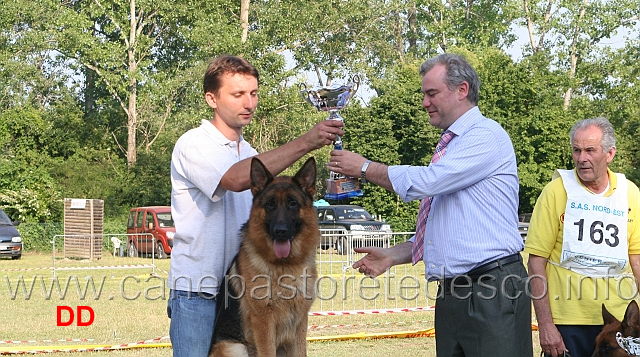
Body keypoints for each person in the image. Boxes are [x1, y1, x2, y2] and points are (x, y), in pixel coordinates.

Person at [328, 53, 532, 356]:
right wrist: (393, 255)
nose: (425, 102)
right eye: (424, 94)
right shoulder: (453, 146)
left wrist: (363, 167)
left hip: (492, 291)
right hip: (455, 293)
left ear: (462, 90)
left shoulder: (486, 136)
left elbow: (427, 182)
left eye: (431, 93)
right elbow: (445, 231)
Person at [167, 55, 344, 357]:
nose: (248, 103)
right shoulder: (194, 143)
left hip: (240, 283)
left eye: (253, 93)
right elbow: (235, 179)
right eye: (237, 94)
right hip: (198, 290)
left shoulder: (250, 153)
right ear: (212, 98)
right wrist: (307, 142)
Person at [525, 117, 640, 357]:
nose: (581, 158)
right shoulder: (555, 191)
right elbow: (536, 262)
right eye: (576, 150)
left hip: (618, 324)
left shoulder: (630, 192)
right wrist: (545, 324)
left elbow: (637, 260)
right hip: (567, 321)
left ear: (610, 153)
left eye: (590, 150)